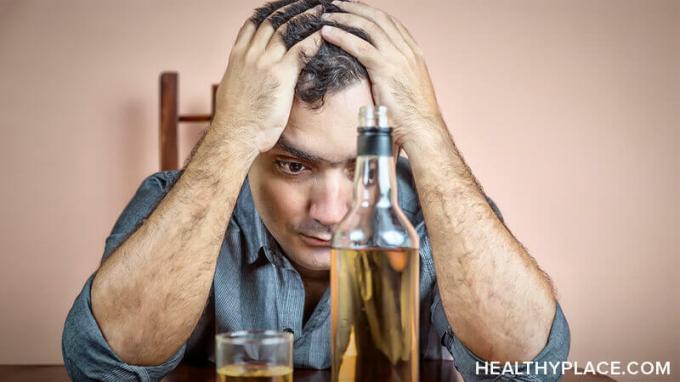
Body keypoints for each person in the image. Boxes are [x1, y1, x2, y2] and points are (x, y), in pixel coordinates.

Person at [62, 0, 570, 380]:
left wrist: (426, 127)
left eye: (363, 165)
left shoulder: (445, 221)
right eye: (292, 165)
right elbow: (101, 365)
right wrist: (230, 133)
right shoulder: (171, 202)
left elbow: (531, 369)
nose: (331, 212)